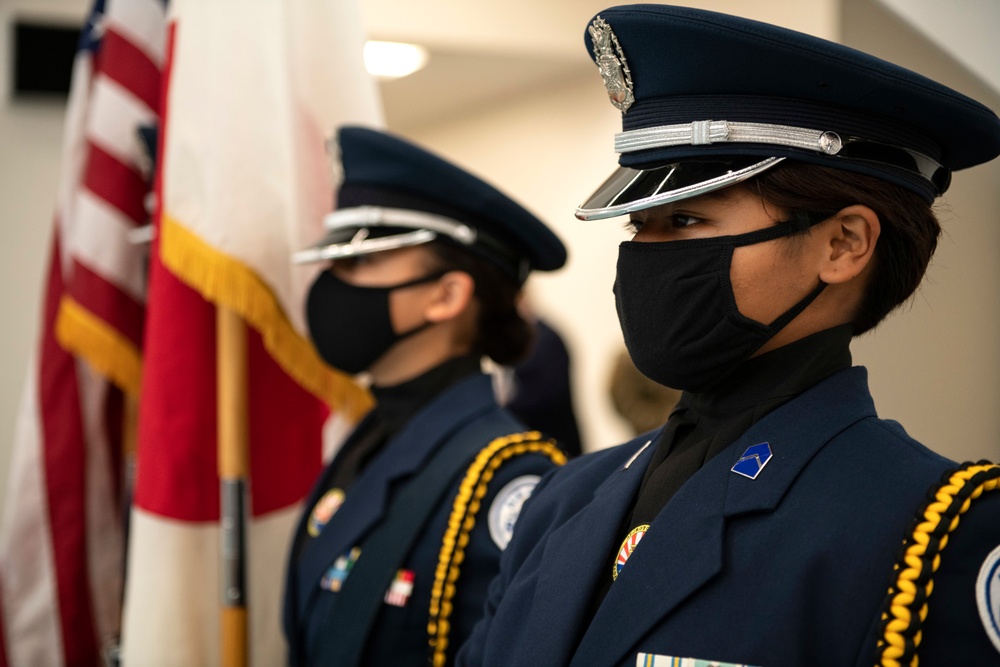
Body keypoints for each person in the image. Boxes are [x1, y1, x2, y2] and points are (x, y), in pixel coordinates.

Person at [457, 6, 1000, 667]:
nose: (646, 257)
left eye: (685, 218)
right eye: (637, 226)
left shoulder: (926, 531)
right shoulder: (562, 499)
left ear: (843, 242)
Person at [283, 126, 568, 666]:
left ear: (447, 294)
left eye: (361, 261)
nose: (331, 282)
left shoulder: (505, 473)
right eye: (335, 260)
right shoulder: (369, 438)